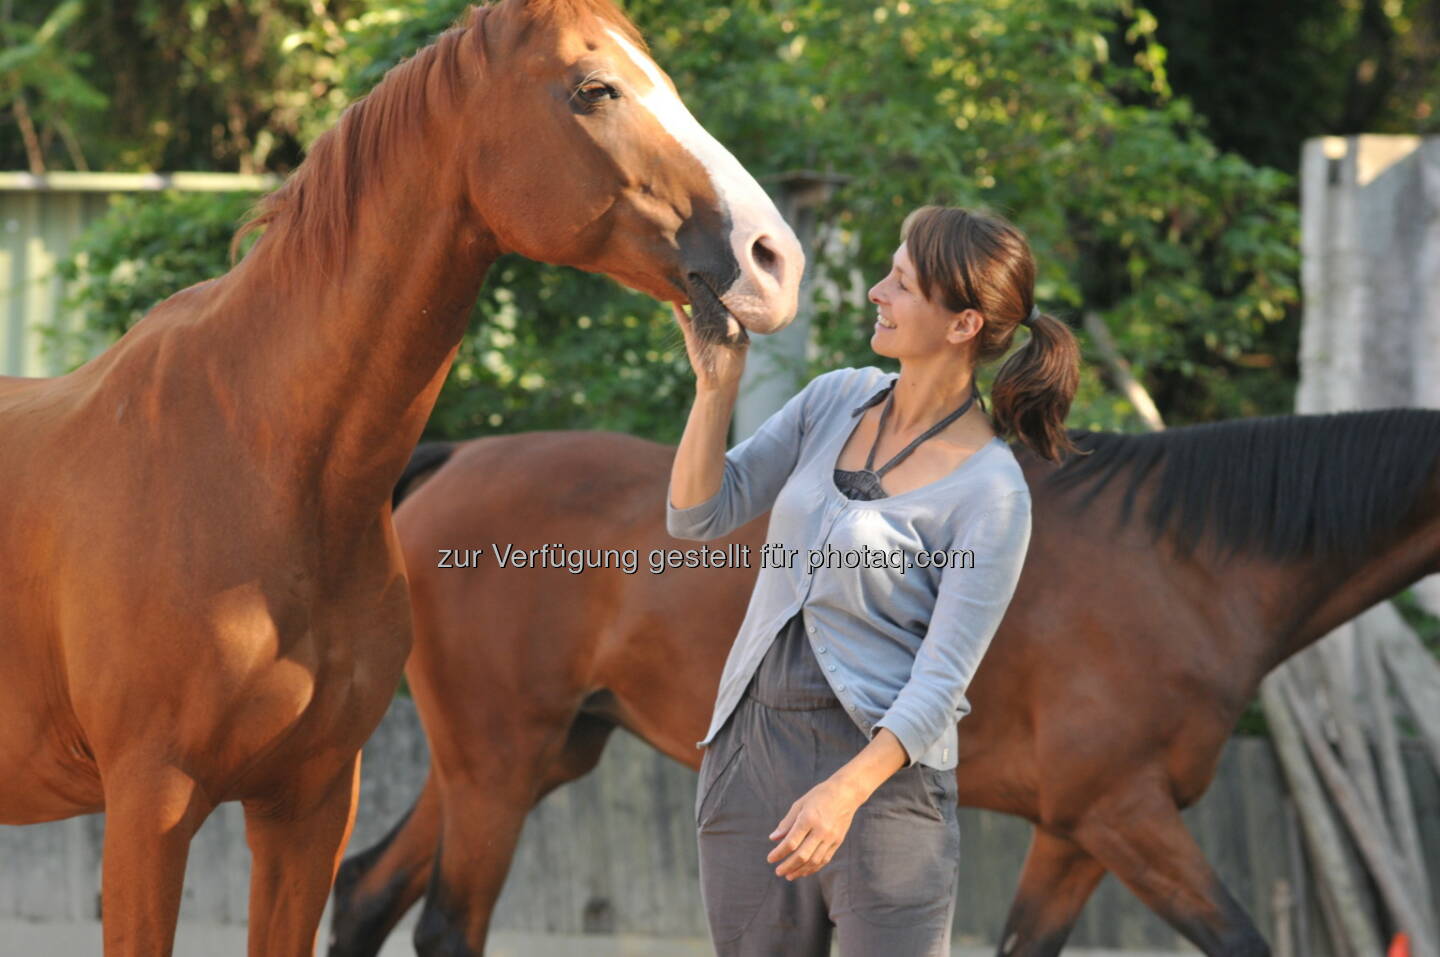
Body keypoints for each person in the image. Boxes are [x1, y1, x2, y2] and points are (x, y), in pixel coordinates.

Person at [666, 205, 1082, 956]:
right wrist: (715, 388)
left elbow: (941, 681)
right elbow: (699, 515)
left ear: (961, 324)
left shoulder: (992, 492)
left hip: (883, 788)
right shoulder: (835, 397)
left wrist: (843, 792)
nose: (875, 293)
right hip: (750, 753)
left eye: (901, 282)